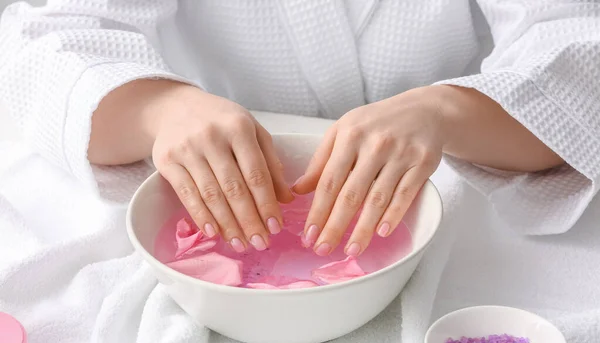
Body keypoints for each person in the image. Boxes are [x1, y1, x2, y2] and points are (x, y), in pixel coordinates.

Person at [0, 0, 597, 256]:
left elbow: (577, 41)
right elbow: (44, 39)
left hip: (453, 194)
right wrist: (160, 109)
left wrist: (446, 111)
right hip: (204, 202)